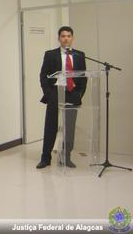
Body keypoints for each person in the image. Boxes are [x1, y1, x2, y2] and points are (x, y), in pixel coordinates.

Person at [36, 26, 87, 169]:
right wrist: (48, 93)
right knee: (51, 126)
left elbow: (83, 77)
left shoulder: (80, 55)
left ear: (72, 38)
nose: (66, 38)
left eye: (68, 36)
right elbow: (43, 76)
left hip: (72, 93)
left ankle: (66, 157)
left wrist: (79, 93)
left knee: (69, 127)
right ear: (58, 38)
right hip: (55, 92)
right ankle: (45, 158)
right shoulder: (50, 54)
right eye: (63, 36)